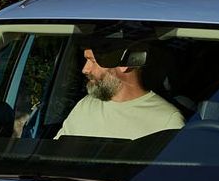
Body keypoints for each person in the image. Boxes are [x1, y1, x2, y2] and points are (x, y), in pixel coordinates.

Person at [55, 42, 185, 141]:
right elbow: (57, 154)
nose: (85, 69)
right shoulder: (85, 106)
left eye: (93, 61)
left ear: (124, 65)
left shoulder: (167, 121)